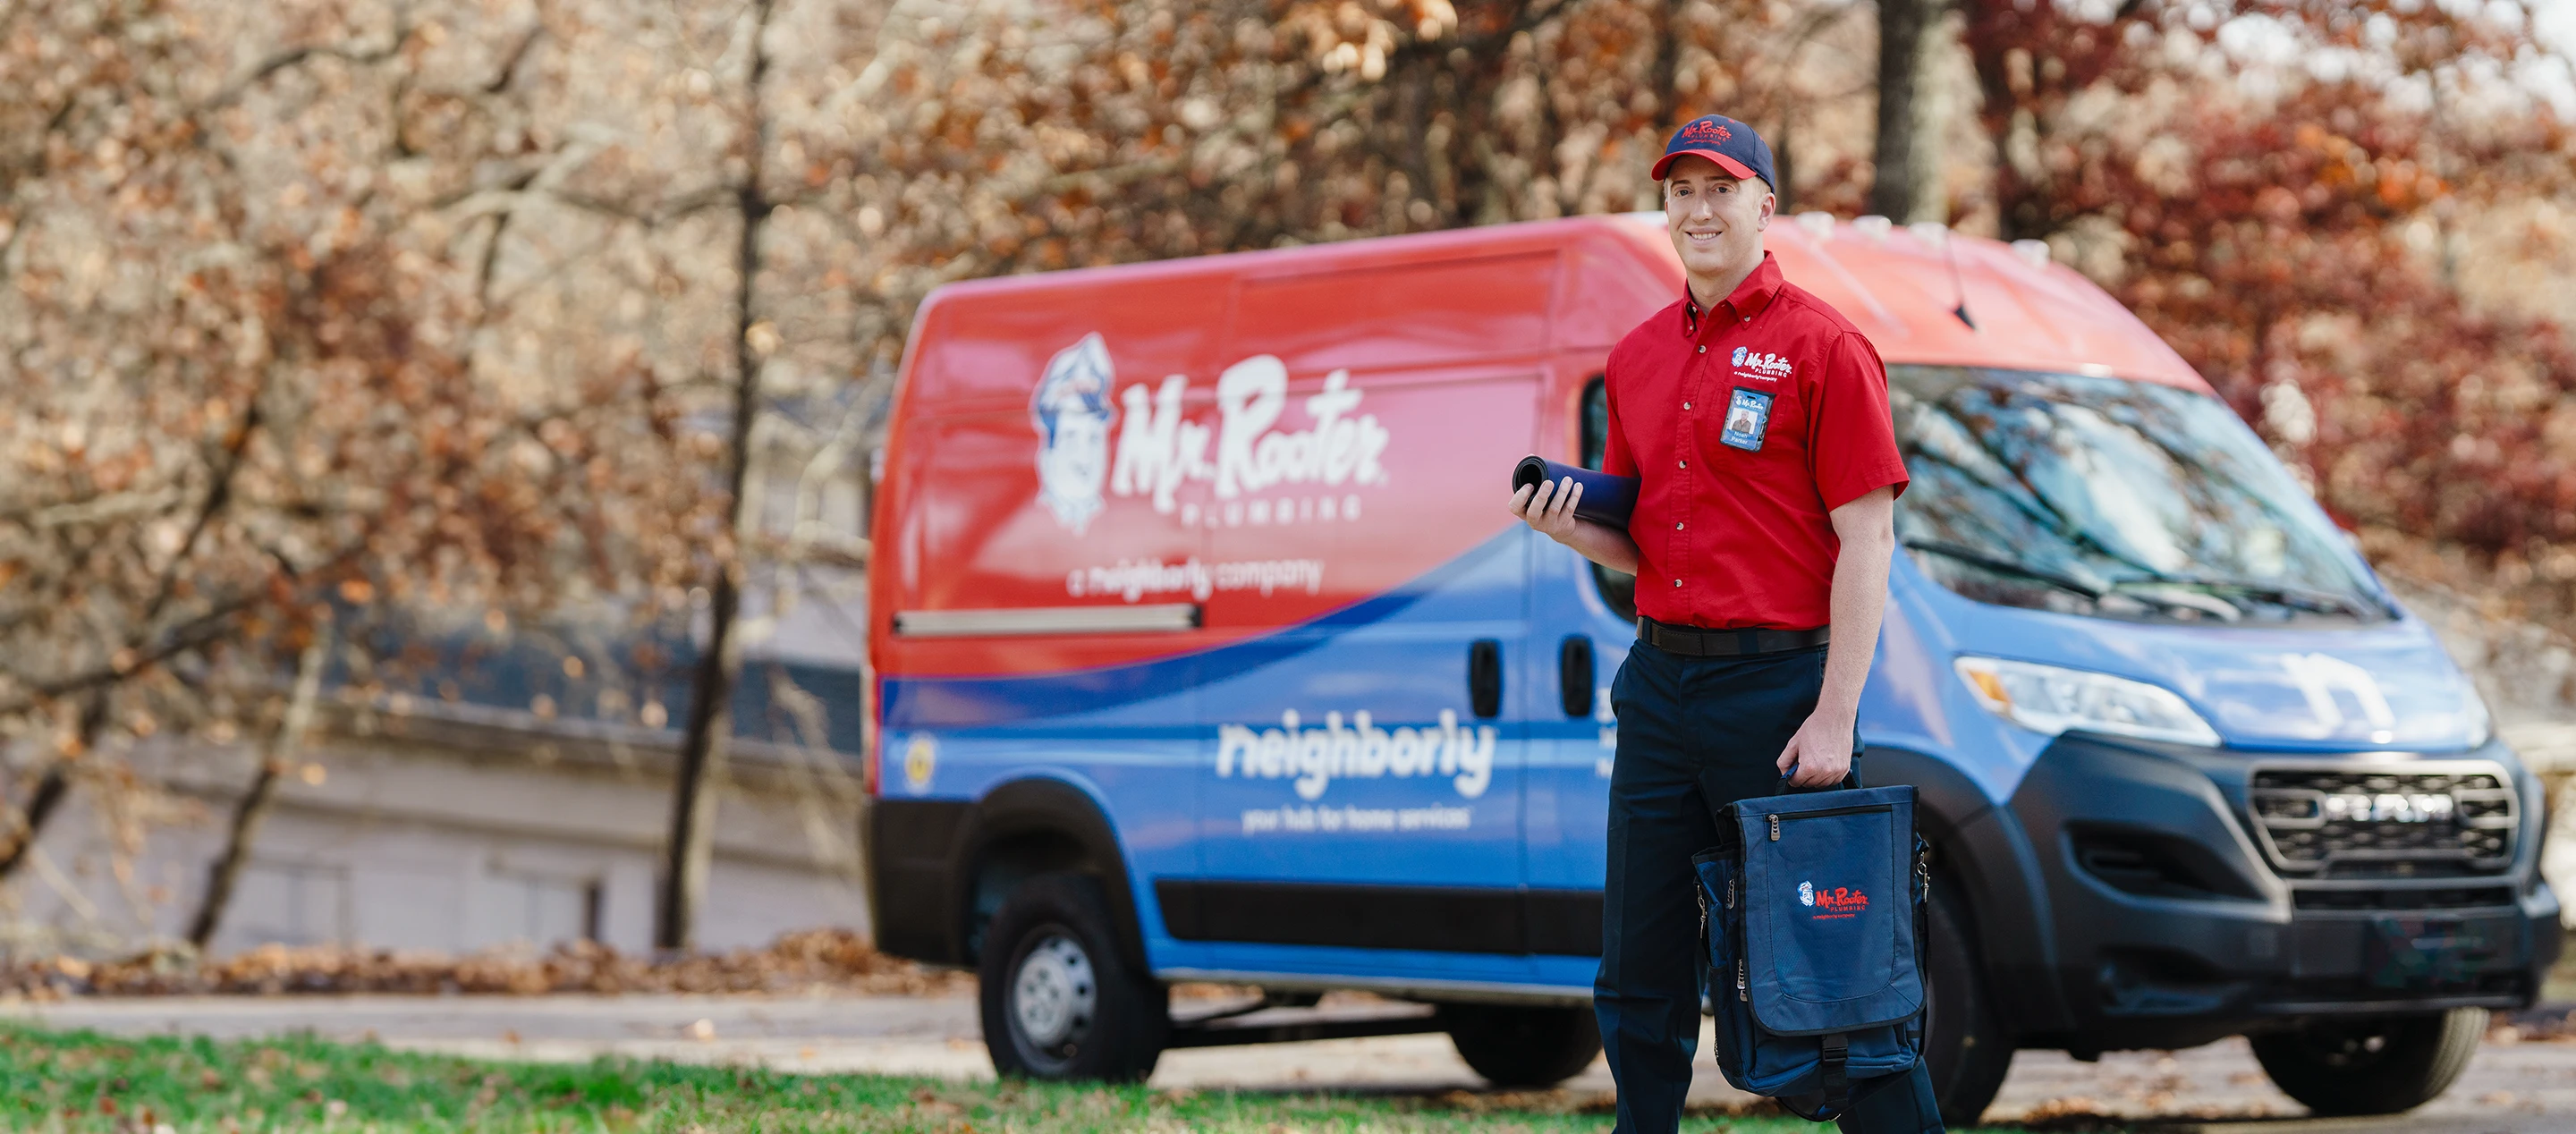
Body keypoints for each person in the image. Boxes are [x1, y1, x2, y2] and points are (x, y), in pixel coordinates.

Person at [1507, 114, 1939, 1134]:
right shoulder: (1637, 357)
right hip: (1660, 689)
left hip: (1781, 696)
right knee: (1641, 966)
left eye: (1721, 189)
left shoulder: (1827, 348)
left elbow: (1867, 542)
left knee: (1834, 973)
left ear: (1763, 205)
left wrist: (1837, 715)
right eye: (1682, 190)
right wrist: (1569, 529)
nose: (1699, 209)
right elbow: (1650, 538)